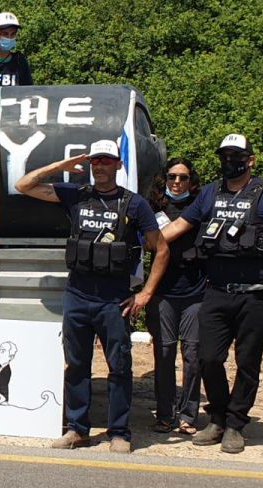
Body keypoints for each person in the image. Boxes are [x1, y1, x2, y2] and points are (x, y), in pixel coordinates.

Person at [16, 139, 169, 452]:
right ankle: (78, 430)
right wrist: (62, 166)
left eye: (107, 161)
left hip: (114, 299)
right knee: (76, 365)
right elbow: (24, 185)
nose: (100, 166)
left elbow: (162, 249)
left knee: (120, 368)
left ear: (118, 165)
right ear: (90, 164)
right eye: (96, 161)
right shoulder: (77, 195)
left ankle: (120, 433)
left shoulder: (134, 204)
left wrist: (146, 293)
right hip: (78, 296)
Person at [161, 134, 263, 454]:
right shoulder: (209, 192)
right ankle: (218, 417)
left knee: (247, 362)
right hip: (216, 292)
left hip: (254, 295)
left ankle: (236, 423)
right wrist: (142, 241)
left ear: (250, 160)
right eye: (224, 156)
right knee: (208, 358)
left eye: (236, 156)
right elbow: (178, 227)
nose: (228, 162)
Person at [145, 157, 205, 435]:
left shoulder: (202, 207)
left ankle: (189, 415)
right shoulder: (153, 207)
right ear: (164, 179)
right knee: (165, 352)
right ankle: (164, 414)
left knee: (193, 354)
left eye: (183, 177)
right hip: (163, 293)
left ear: (191, 181)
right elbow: (146, 244)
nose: (177, 182)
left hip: (196, 292)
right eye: (172, 177)